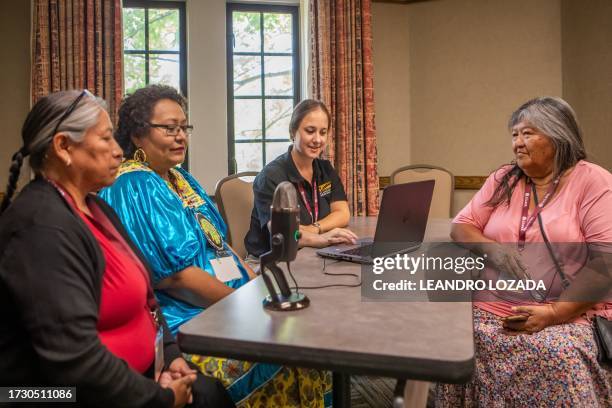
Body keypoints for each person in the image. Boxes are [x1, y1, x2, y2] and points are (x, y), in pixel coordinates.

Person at [99, 85, 332, 407]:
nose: (181, 136)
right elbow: (175, 278)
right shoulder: (134, 184)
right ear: (138, 136)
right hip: (194, 317)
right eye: (169, 128)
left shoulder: (179, 178)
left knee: (306, 334)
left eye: (184, 127)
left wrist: (258, 286)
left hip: (230, 302)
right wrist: (245, 305)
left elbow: (220, 245)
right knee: (287, 352)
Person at [0, 90, 234, 407]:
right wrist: (160, 398)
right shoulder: (40, 228)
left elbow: (147, 298)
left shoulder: (96, 208)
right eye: (107, 139)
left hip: (138, 375)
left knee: (209, 393)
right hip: (51, 395)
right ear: (63, 147)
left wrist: (171, 355)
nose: (117, 150)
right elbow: (75, 361)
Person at [436, 97, 612, 406]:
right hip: (490, 310)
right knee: (451, 338)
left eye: (528, 133)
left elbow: (605, 263)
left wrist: (554, 314)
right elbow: (462, 225)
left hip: (566, 314)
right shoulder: (504, 179)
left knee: (555, 355)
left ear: (558, 135)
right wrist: (493, 249)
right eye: (515, 134)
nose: (518, 142)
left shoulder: (593, 181)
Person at [245, 99, 358, 257]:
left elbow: (342, 213)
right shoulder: (270, 176)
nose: (317, 139)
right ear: (293, 132)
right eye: (310, 131)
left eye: (323, 132)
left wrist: (314, 229)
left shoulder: (325, 169)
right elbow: (283, 234)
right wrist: (321, 238)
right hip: (272, 260)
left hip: (313, 252)